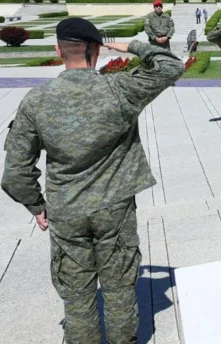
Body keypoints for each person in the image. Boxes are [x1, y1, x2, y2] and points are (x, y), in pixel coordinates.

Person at [1, 18, 184, 344]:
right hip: (114, 209)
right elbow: (170, 65)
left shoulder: (37, 101)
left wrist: (36, 205)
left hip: (66, 211)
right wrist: (131, 46)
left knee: (77, 293)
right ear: (96, 50)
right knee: (118, 288)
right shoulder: (120, 89)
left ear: (58, 50)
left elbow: (15, 172)